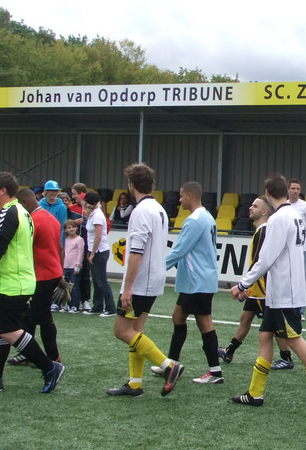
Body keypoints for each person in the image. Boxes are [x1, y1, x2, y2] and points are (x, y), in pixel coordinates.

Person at [230, 174, 306, 413]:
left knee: (294, 340)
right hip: (280, 292)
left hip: (284, 293)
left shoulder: (279, 218)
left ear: (267, 193)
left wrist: (242, 285)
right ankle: (255, 393)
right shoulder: (294, 215)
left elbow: (265, 259)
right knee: (264, 336)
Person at [0, 172, 66, 395]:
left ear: (3, 190)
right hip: (9, 282)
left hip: (13, 283)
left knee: (7, 329)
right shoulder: (17, 211)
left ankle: (50, 367)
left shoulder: (11, 212)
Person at [106, 163, 185, 398]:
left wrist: (127, 287)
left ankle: (168, 366)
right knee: (136, 330)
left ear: (131, 184)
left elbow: (136, 251)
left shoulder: (140, 211)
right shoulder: (159, 209)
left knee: (121, 331)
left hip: (141, 281)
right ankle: (135, 384)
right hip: (153, 279)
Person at [156, 181, 223, 384]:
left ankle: (215, 372)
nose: (179, 200)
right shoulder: (207, 216)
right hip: (198, 280)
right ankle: (171, 365)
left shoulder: (195, 220)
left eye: (181, 196)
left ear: (191, 196)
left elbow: (179, 250)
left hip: (197, 281)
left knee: (205, 323)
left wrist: (156, 270)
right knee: (178, 317)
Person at [224, 198, 293, 369]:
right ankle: (229, 351)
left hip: (263, 290)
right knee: (245, 318)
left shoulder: (263, 232)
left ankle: (286, 358)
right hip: (257, 289)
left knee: (274, 326)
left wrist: (244, 286)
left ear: (264, 212)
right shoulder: (261, 231)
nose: (250, 208)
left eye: (255, 206)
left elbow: (260, 263)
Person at [11, 187, 63, 367]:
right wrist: (60, 272)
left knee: (43, 317)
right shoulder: (51, 218)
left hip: (41, 275)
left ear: (25, 203)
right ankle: (28, 352)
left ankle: (53, 358)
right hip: (51, 272)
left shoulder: (31, 221)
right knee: (29, 315)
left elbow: (22, 250)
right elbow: (60, 248)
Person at [83, 192, 116, 316]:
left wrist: (92, 253)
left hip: (100, 251)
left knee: (102, 281)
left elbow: (98, 237)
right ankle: (97, 306)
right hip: (94, 250)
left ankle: (111, 308)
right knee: (96, 280)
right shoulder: (92, 214)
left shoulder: (97, 216)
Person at [61, 218, 84, 313]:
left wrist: (78, 265)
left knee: (74, 286)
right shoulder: (66, 240)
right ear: (65, 230)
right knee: (66, 287)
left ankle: (75, 305)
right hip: (66, 266)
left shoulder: (79, 239)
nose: (72, 229)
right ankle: (67, 304)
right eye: (69, 227)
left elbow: (80, 253)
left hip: (74, 266)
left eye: (73, 227)